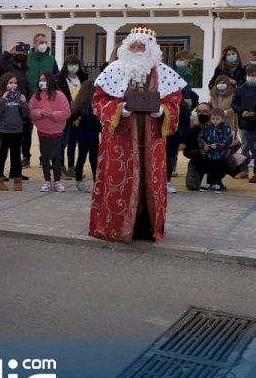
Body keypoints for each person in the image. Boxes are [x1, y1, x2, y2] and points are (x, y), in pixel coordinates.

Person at [89, 26, 184, 243]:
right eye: (135, 45)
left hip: (152, 140)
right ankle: (118, 227)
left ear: (152, 49)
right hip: (121, 141)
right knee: (121, 181)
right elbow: (99, 101)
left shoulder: (164, 73)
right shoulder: (113, 70)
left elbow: (174, 102)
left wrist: (162, 111)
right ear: (126, 48)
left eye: (143, 46)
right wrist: (119, 110)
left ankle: (147, 227)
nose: (139, 49)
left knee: (149, 183)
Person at [30, 72, 71, 192]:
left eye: (44, 80)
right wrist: (39, 113)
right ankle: (47, 181)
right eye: (40, 80)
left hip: (57, 131)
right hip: (42, 131)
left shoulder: (60, 95)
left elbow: (66, 112)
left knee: (57, 156)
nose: (42, 82)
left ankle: (57, 181)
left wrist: (53, 115)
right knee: (45, 156)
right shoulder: (36, 96)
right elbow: (30, 111)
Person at [0, 42, 34, 171]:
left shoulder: (27, 69)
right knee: (6, 145)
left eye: (24, 52)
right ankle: (0, 173)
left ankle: (16, 171)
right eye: (19, 51)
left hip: (23, 106)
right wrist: (8, 52)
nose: (21, 54)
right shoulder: (8, 65)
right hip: (10, 106)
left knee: (22, 139)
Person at [0, 73, 30, 191]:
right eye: (10, 83)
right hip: (3, 131)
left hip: (16, 131)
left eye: (15, 83)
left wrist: (24, 103)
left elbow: (26, 114)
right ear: (5, 84)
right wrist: (3, 99)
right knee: (1, 156)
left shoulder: (19, 97)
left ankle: (17, 180)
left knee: (16, 157)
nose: (13, 85)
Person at [232, 65, 256, 182]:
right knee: (245, 147)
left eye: (254, 75)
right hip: (244, 123)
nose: (251, 77)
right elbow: (234, 104)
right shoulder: (240, 89)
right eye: (249, 75)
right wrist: (242, 111)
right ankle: (243, 170)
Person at [57, 55, 89, 178]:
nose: (74, 67)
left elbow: (84, 96)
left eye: (76, 64)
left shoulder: (82, 78)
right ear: (66, 65)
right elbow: (63, 98)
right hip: (66, 114)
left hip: (79, 114)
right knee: (62, 142)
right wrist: (72, 115)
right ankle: (60, 167)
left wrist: (78, 114)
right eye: (71, 64)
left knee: (73, 142)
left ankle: (71, 167)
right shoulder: (59, 80)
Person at [70, 79, 100, 191]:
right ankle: (96, 181)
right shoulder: (95, 104)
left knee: (81, 158)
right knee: (94, 160)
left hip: (82, 135)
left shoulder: (79, 103)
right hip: (93, 134)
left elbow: (73, 116)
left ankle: (79, 181)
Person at [197, 109, 237, 192]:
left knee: (218, 169)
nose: (215, 121)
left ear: (222, 119)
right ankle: (209, 184)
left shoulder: (226, 127)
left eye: (217, 119)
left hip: (221, 154)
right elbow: (200, 137)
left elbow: (227, 140)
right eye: (213, 119)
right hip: (210, 154)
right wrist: (204, 145)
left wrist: (218, 145)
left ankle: (217, 185)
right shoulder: (207, 127)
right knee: (210, 169)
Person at [182, 102, 214, 191]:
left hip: (215, 160)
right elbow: (186, 153)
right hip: (197, 161)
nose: (202, 114)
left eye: (205, 111)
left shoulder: (219, 126)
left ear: (211, 112)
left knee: (233, 160)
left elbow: (235, 143)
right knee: (192, 186)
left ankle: (216, 180)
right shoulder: (192, 128)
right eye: (199, 111)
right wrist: (199, 152)